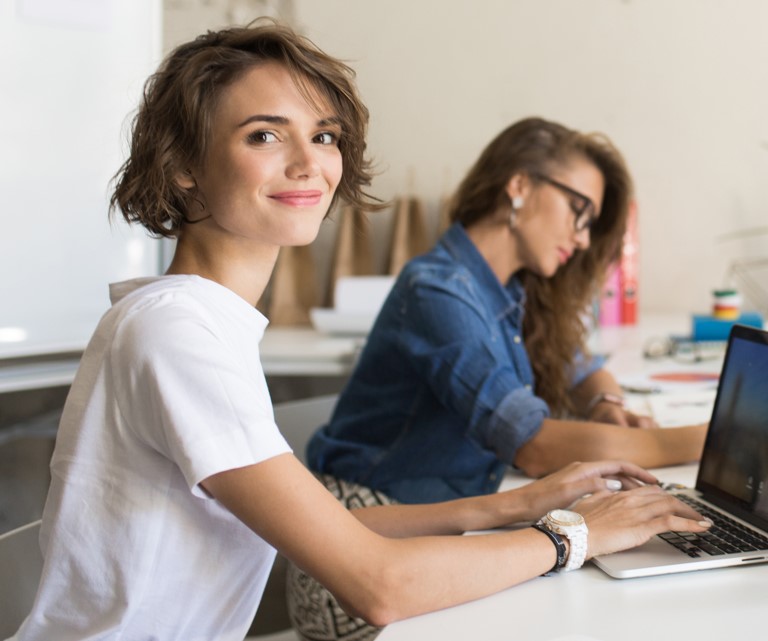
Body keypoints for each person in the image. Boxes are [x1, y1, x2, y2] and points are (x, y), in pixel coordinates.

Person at [9, 23, 709, 641]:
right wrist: (578, 534)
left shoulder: (200, 323)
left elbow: (335, 531)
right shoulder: (175, 335)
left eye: (322, 136)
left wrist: (520, 504)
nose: (308, 161)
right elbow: (377, 583)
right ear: (184, 167)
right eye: (264, 134)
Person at [293, 116, 708, 640]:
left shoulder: (512, 289)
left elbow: (583, 367)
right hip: (359, 550)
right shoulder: (439, 292)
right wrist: (707, 440)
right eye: (579, 212)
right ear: (519, 185)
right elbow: (533, 446)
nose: (582, 239)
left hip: (439, 525)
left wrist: (605, 403)